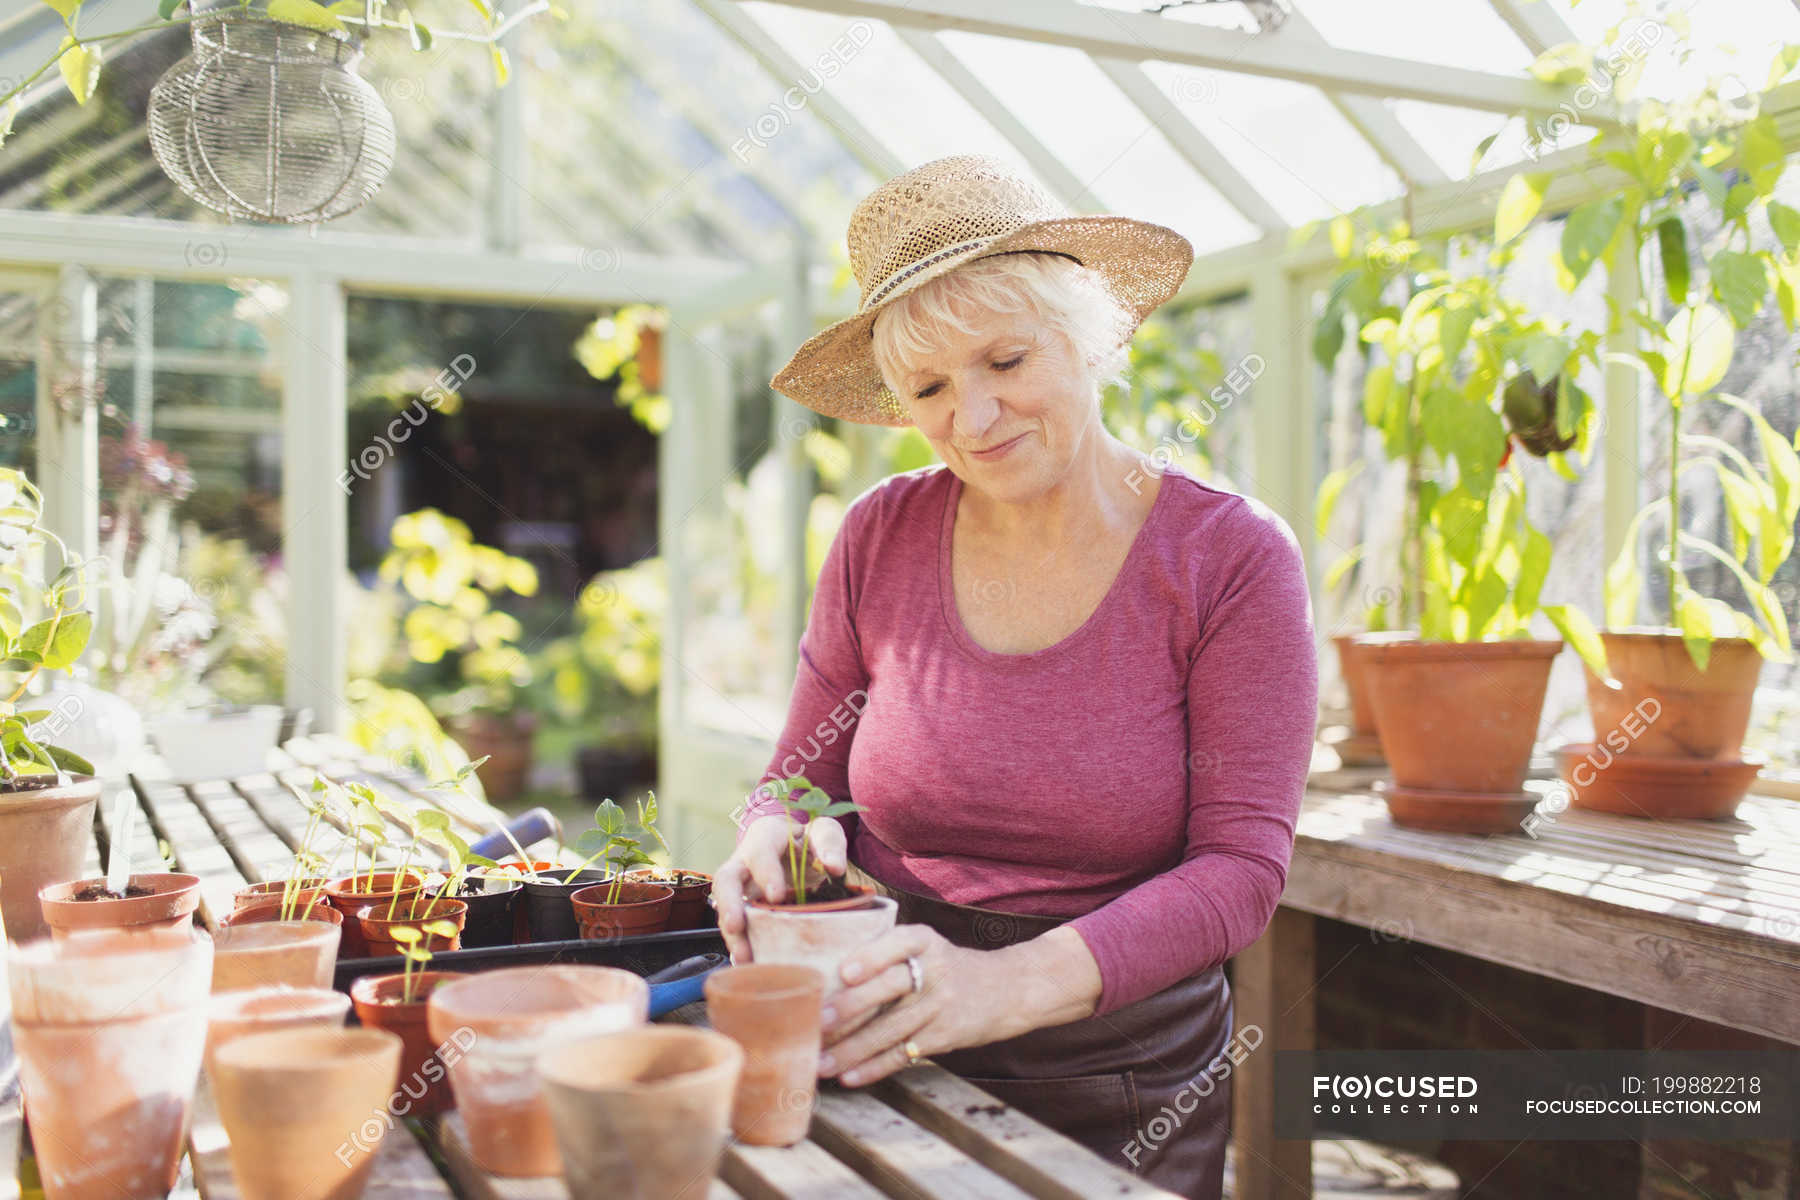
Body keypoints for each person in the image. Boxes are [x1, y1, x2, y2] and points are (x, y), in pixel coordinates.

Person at [710, 154, 1317, 1200]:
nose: (974, 418)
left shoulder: (1228, 559)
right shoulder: (879, 536)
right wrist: (768, 831)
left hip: (1121, 1074)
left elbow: (1239, 874)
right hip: (882, 1032)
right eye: (932, 388)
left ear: (1090, 336)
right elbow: (800, 774)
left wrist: (999, 985)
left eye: (1004, 360)